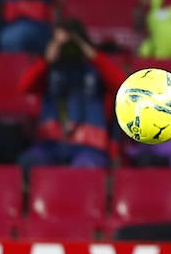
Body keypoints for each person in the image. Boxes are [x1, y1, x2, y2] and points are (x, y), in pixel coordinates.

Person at [16, 19, 127, 170]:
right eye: (59, 43)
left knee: (84, 168)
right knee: (29, 162)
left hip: (90, 146)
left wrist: (93, 56)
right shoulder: (48, 70)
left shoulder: (96, 70)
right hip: (50, 144)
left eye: (69, 43)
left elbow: (124, 87)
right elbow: (24, 86)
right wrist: (45, 61)